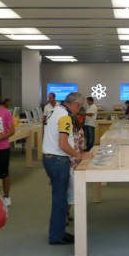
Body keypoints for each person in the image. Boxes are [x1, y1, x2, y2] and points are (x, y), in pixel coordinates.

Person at [42, 92, 93, 245]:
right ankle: (56, 237)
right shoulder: (65, 117)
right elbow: (63, 144)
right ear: (75, 105)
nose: (79, 110)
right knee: (60, 200)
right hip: (58, 160)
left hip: (50, 158)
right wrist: (79, 155)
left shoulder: (55, 111)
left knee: (60, 199)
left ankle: (58, 233)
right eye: (80, 107)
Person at [68, 109, 86, 225]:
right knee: (72, 190)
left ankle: (65, 214)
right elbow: (82, 146)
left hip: (65, 162)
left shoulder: (63, 132)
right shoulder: (79, 130)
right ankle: (67, 213)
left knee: (66, 190)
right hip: (76, 164)